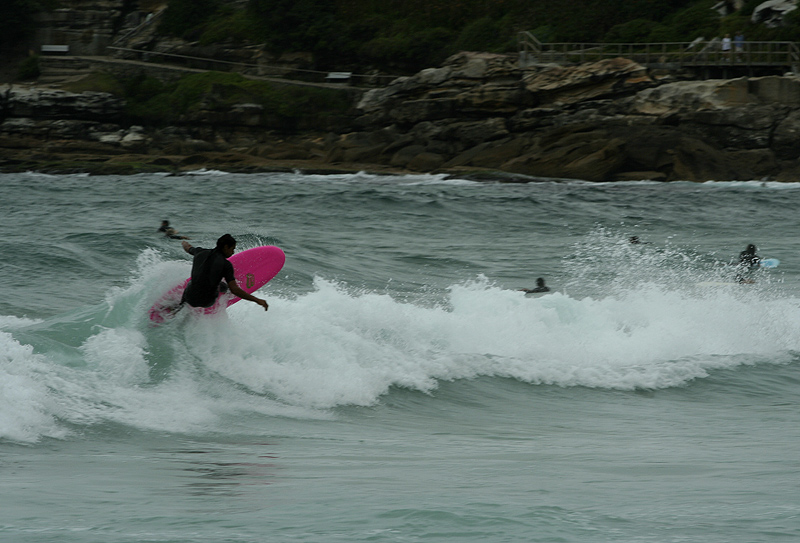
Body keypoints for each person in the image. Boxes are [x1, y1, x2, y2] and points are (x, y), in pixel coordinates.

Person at [180, 234, 269, 311]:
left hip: (190, 298)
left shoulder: (199, 252)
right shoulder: (226, 265)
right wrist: (257, 300)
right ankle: (226, 290)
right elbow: (235, 290)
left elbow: (188, 248)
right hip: (207, 302)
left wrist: (184, 243)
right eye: (232, 249)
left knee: (191, 282)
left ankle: (179, 306)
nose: (233, 252)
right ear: (226, 247)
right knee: (222, 285)